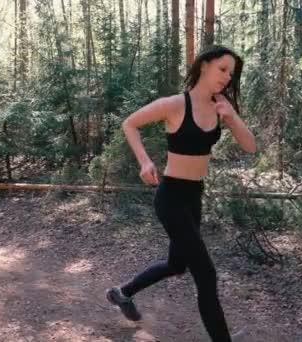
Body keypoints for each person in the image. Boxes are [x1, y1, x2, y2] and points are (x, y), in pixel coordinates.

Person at [106, 45, 257, 342]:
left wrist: (232, 117)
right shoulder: (175, 104)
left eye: (231, 73)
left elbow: (250, 147)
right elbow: (130, 123)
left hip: (193, 197)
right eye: (222, 69)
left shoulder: (220, 106)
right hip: (171, 197)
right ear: (204, 66)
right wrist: (145, 160)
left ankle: (122, 293)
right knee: (206, 275)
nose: (227, 77)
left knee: (177, 265)